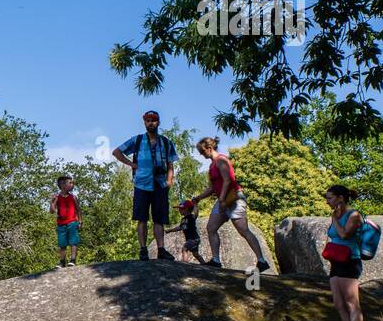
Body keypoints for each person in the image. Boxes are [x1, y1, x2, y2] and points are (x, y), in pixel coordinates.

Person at [189, 136, 271, 272]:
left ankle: (262, 261)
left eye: (202, 152)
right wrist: (198, 198)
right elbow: (211, 188)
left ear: (209, 148)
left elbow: (228, 180)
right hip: (222, 200)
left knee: (243, 230)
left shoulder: (221, 160)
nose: (201, 155)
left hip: (234, 199)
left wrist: (221, 200)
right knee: (211, 227)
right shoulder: (212, 165)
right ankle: (216, 260)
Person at [112, 110, 177, 260]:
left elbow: (170, 164)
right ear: (144, 123)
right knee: (142, 218)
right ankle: (143, 250)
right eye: (148, 120)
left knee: (159, 219)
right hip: (141, 184)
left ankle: (161, 249)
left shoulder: (166, 142)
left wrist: (169, 180)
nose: (151, 123)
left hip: (160, 184)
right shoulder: (138, 140)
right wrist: (131, 164)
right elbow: (116, 152)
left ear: (158, 122)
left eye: (153, 120)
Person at [323, 184, 366, 321]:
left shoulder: (353, 215)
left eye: (330, 198)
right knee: (339, 304)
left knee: (351, 303)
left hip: (350, 260)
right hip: (336, 261)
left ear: (340, 198)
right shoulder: (337, 214)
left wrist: (334, 219)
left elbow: (344, 235)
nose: (327, 201)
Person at [49, 175, 81, 267]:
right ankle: (62, 262)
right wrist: (52, 203)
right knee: (62, 243)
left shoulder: (74, 197)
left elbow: (78, 210)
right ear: (63, 185)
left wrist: (80, 222)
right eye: (70, 183)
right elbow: (52, 211)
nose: (72, 184)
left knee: (73, 241)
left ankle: (73, 260)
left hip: (72, 222)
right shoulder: (57, 197)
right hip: (61, 224)